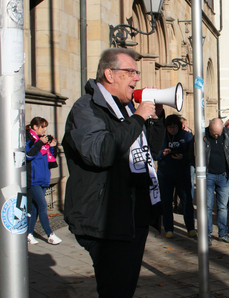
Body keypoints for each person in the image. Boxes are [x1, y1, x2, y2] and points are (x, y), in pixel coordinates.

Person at [63, 48, 164, 297]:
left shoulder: (127, 110)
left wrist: (156, 119)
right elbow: (101, 152)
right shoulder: (87, 108)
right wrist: (138, 118)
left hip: (132, 217)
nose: (137, 78)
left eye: (137, 72)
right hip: (105, 222)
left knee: (124, 289)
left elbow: (153, 150)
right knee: (115, 290)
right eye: (130, 71)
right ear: (109, 74)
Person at [155, 114, 195, 239]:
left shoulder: (187, 137)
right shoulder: (161, 137)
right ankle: (168, 228)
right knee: (166, 202)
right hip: (165, 174)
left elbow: (193, 155)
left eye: (174, 127)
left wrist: (183, 157)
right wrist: (163, 153)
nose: (172, 130)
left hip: (182, 173)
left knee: (186, 201)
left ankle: (191, 227)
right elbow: (155, 155)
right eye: (170, 127)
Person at [26, 117, 62, 245]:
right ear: (35, 127)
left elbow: (50, 159)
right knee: (42, 205)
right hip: (33, 180)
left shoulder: (43, 142)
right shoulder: (30, 140)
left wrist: (52, 147)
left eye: (45, 126)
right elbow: (28, 155)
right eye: (42, 126)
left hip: (43, 178)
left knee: (35, 208)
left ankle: (29, 234)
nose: (45, 129)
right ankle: (50, 234)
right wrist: (40, 143)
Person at [202, 118, 229, 245]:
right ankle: (207, 234)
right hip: (208, 175)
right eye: (214, 133)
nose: (216, 135)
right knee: (207, 206)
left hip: (223, 175)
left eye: (218, 133)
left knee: (223, 206)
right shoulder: (202, 134)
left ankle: (223, 232)